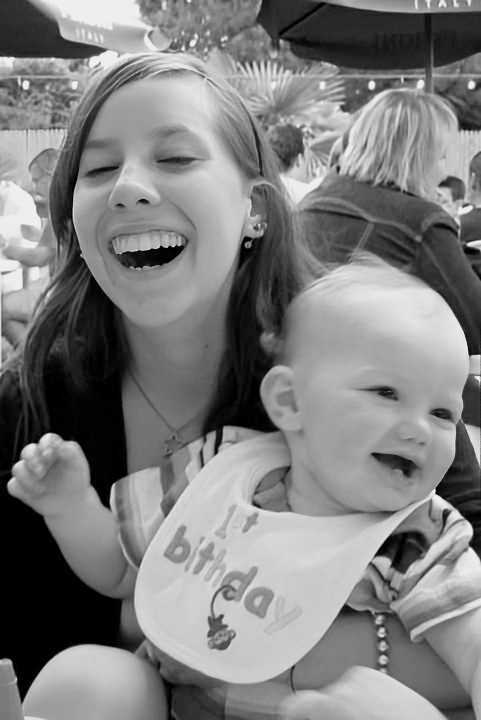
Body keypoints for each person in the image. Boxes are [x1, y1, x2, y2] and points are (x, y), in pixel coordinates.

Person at [0, 50, 478, 713]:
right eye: (99, 168)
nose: (127, 187)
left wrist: (285, 658)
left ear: (255, 208)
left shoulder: (361, 370)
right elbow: (52, 631)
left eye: (175, 157)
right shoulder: (34, 407)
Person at [10, 259, 479, 720]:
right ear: (288, 400)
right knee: (86, 675)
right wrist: (70, 506)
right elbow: (122, 572)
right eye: (385, 393)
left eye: (443, 414)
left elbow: (474, 649)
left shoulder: (417, 541)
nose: (419, 430)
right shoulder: (222, 468)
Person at [298, 87, 481, 461]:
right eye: (440, 156)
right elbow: (476, 324)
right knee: (468, 488)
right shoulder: (418, 221)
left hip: (302, 386)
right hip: (385, 397)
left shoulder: (311, 202)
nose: (443, 171)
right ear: (417, 155)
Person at [1, 148, 59, 348]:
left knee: (3, 309)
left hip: (60, 293)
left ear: (51, 176)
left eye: (36, 180)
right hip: (59, 287)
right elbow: (49, 242)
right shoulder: (67, 204)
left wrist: (7, 249)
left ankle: (30, 356)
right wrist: (25, 232)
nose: (34, 188)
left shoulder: (61, 209)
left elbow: (39, 257)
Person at [266, 123, 318, 203]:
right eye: (310, 165)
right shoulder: (310, 196)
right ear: (299, 160)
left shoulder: (259, 190)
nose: (313, 173)